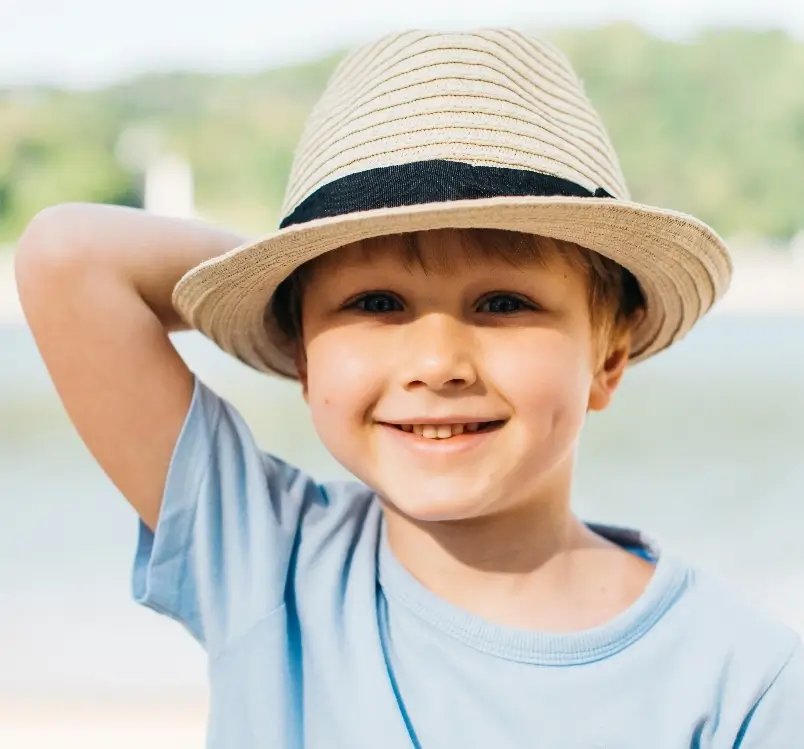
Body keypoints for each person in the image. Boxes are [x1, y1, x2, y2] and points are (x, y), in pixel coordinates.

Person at [15, 28, 803, 748]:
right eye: (376, 304)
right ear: (304, 356)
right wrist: (290, 288)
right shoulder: (273, 558)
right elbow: (66, 258)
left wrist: (327, 295)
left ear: (608, 357)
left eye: (502, 303)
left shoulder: (739, 680)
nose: (437, 361)